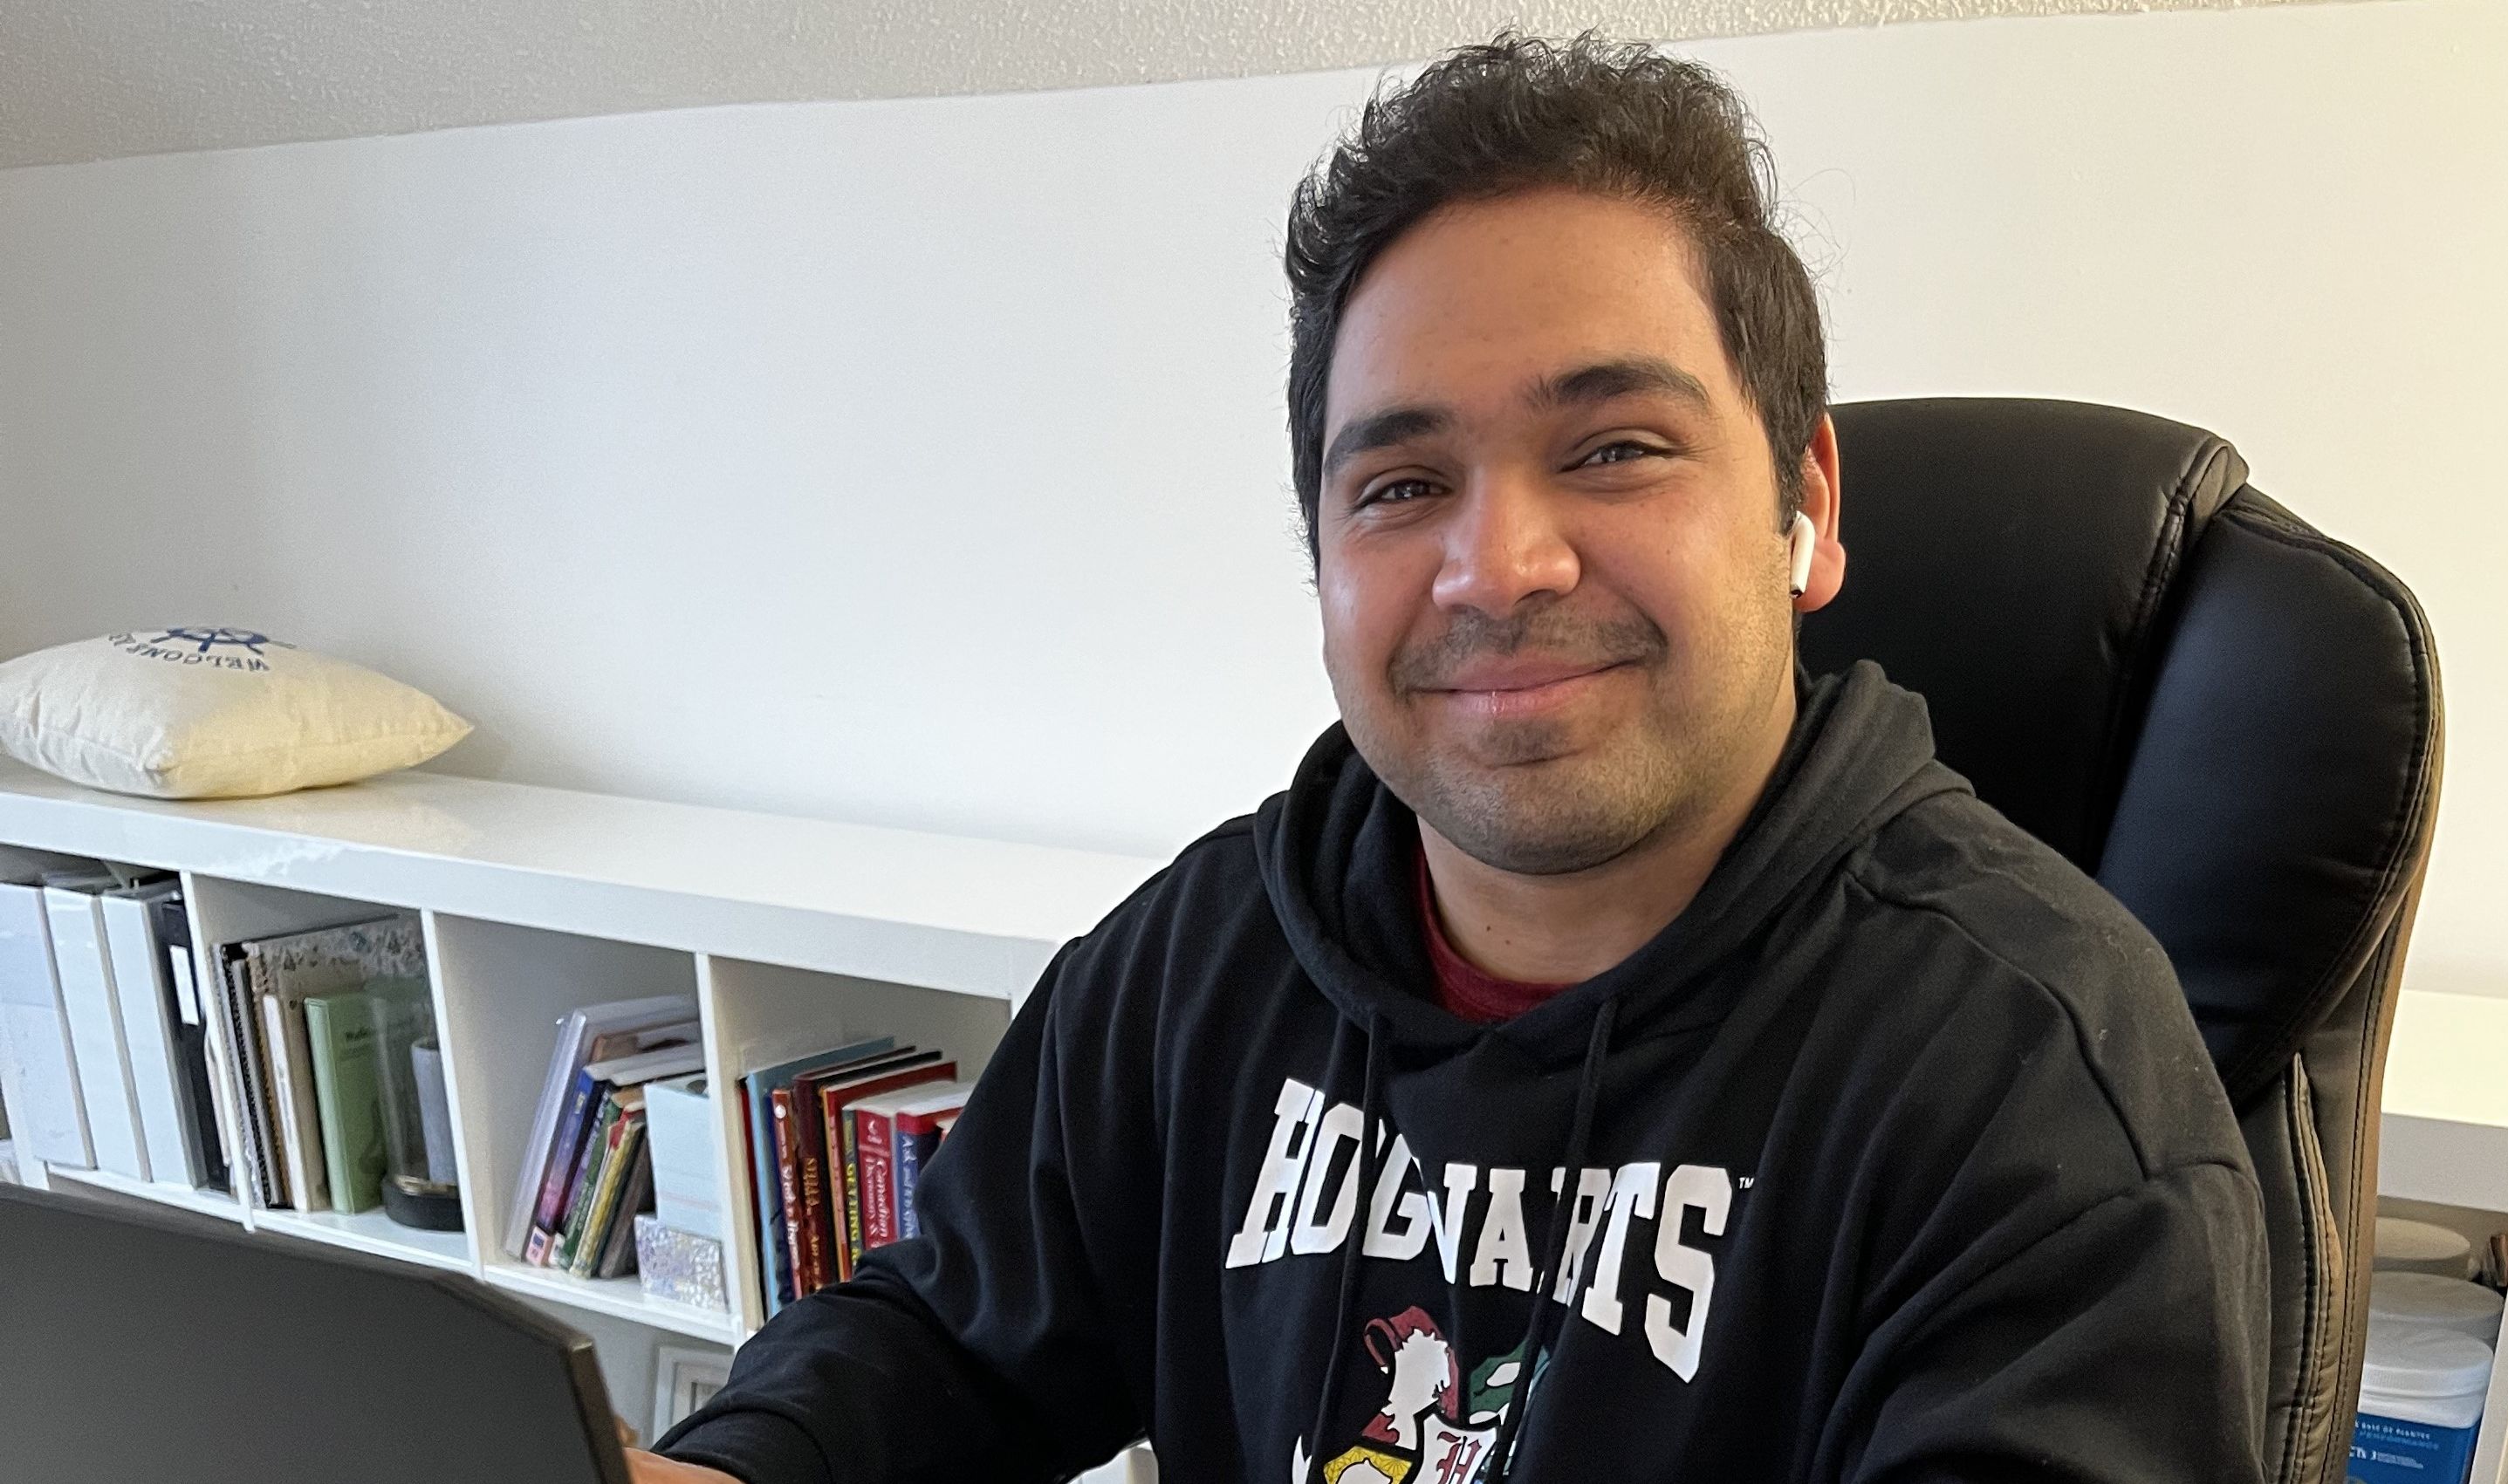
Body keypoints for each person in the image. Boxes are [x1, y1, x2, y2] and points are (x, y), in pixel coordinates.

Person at [637, 33, 2268, 1484]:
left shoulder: (2035, 1086)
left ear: (1808, 506)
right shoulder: (1210, 958)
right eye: (1404, 485)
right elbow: (945, 1334)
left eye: (1613, 449)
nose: (1501, 568)